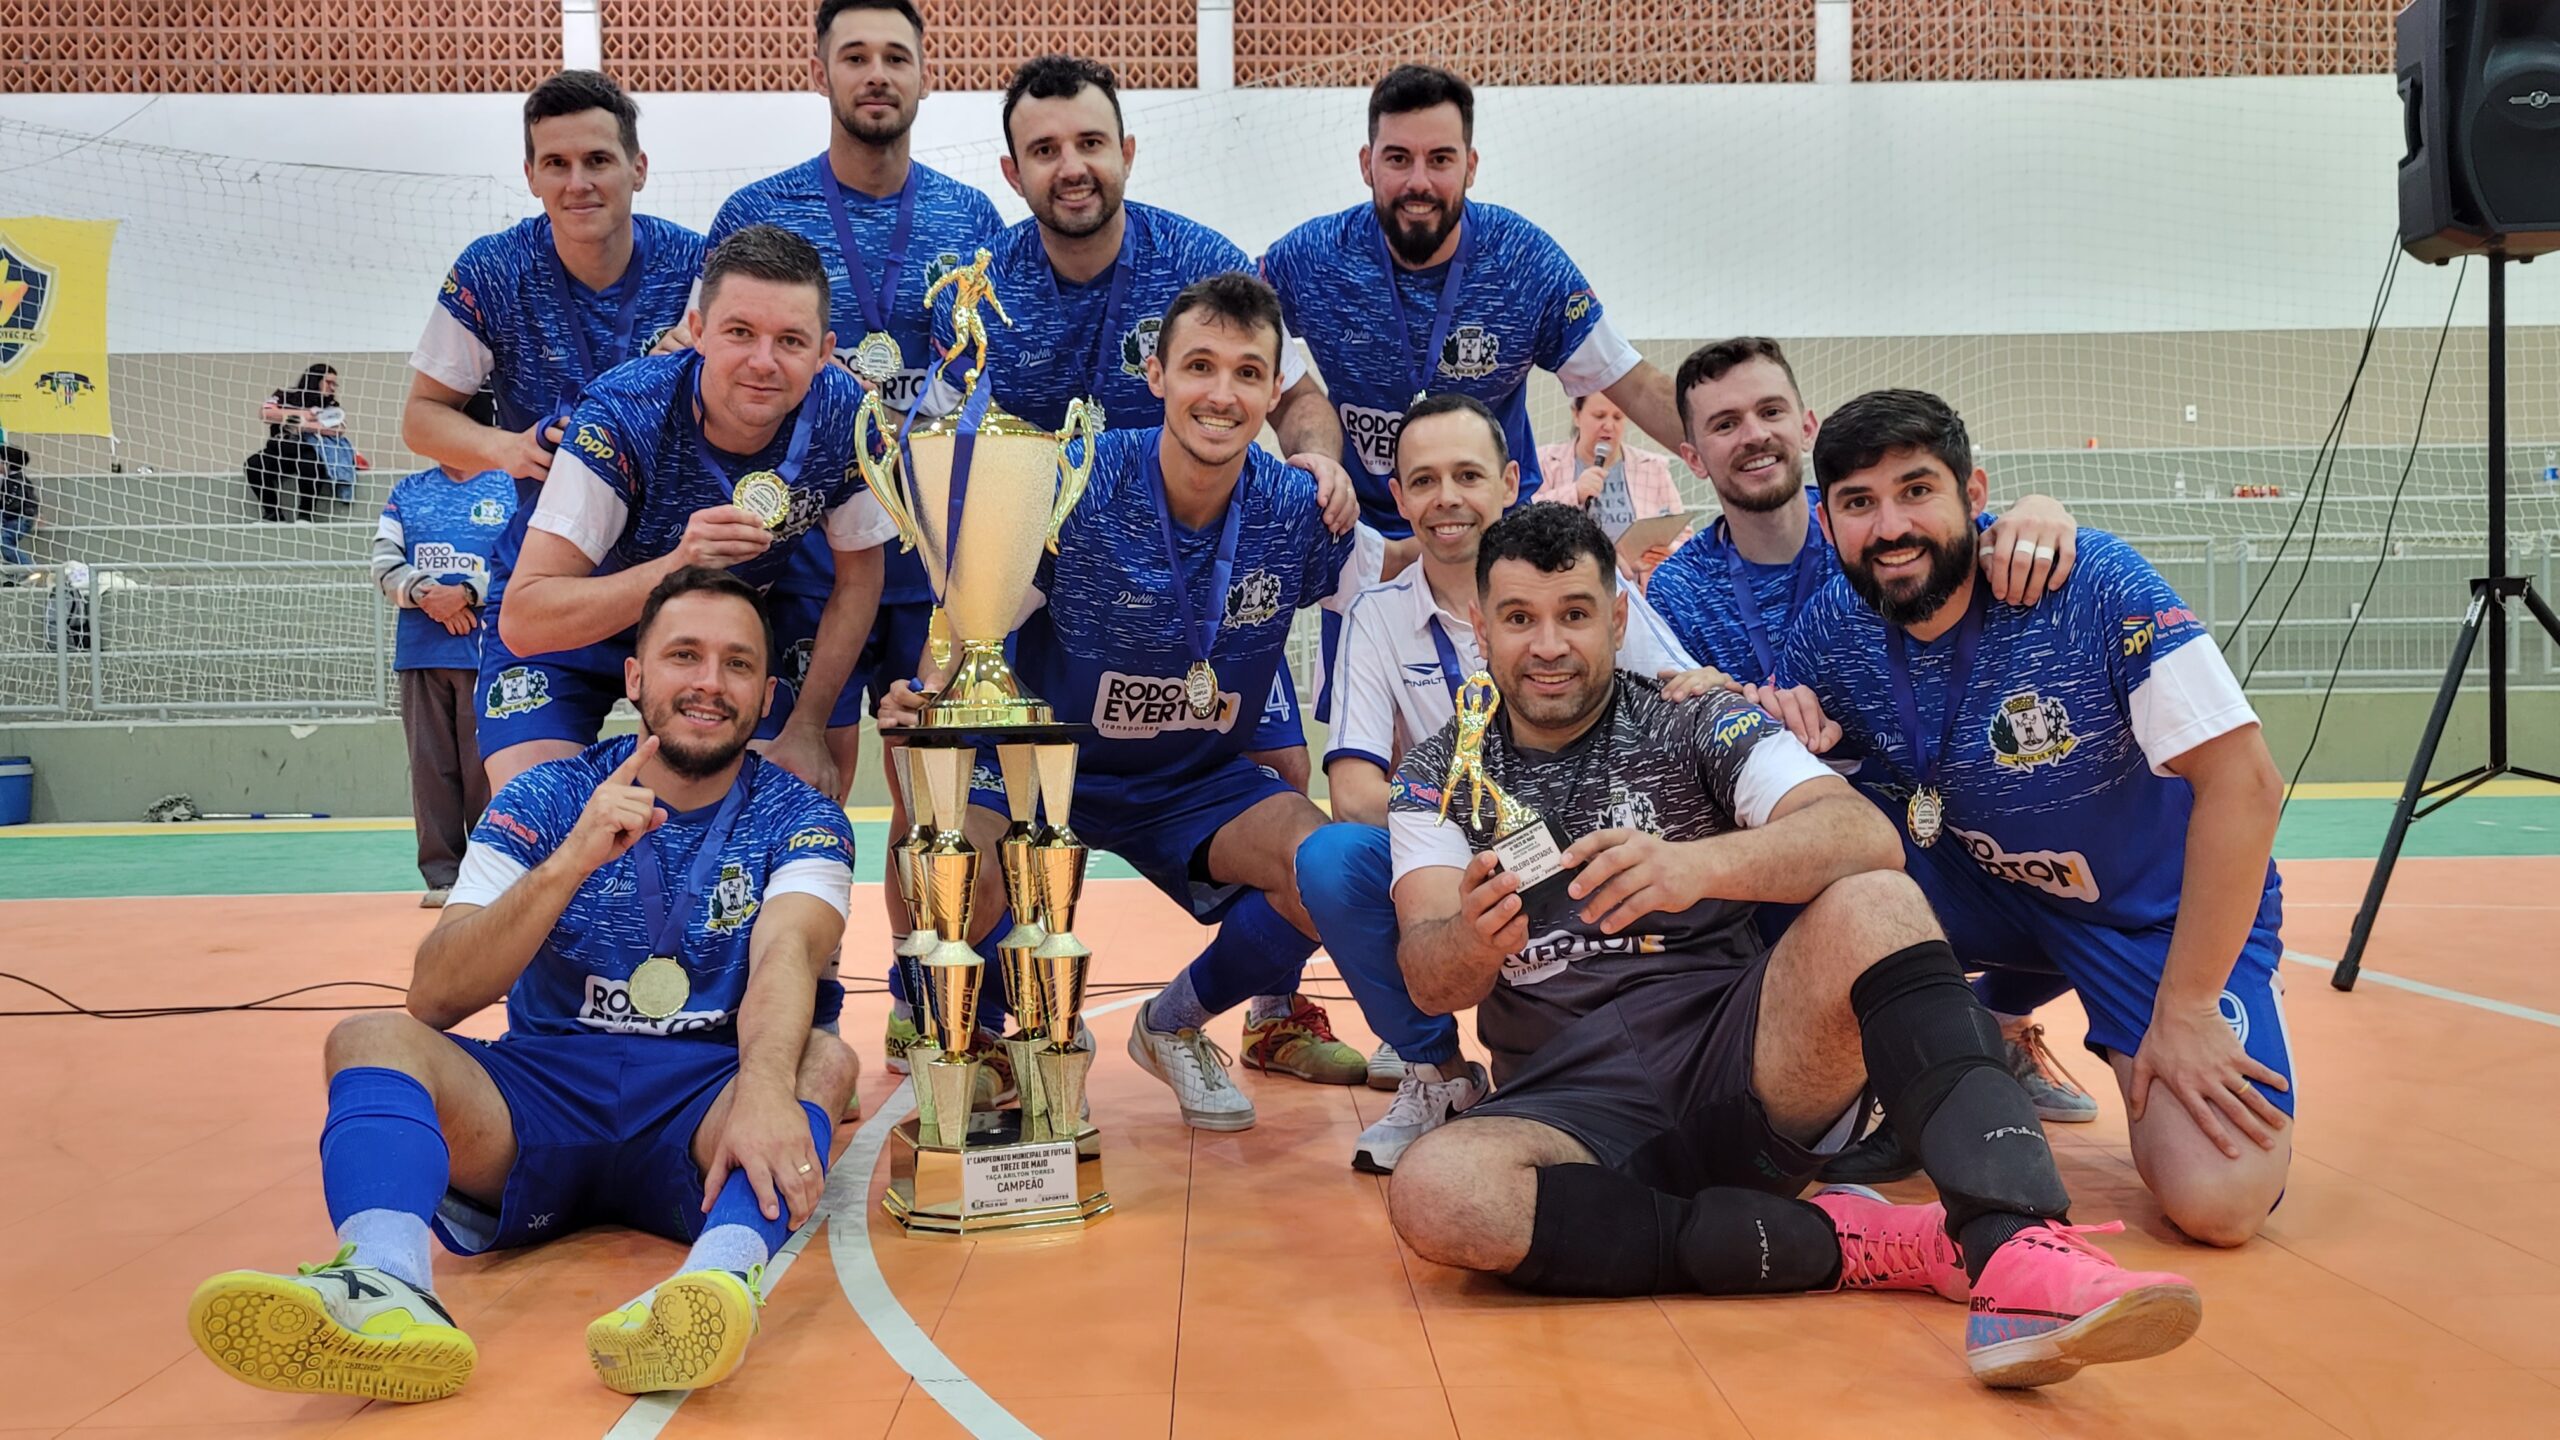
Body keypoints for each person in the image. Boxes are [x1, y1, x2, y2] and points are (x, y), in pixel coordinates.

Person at [1380, 504, 2201, 1389]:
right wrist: (1470, 939)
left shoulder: (1695, 719)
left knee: (1877, 901)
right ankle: (1853, 1241)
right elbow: (1429, 982)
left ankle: (2016, 1248)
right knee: (1437, 1194)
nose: (1548, 645)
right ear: (1479, 627)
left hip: (1743, 1070)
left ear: (1618, 619)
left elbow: (1862, 835)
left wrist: (1696, 866)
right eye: (1519, 618)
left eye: (1575, 614)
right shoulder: (1435, 776)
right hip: (1571, 1115)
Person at [185, 568, 862, 1402]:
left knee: (821, 1062)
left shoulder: (802, 816)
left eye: (737, 664)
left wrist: (761, 1088)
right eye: (684, 656)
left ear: (764, 695)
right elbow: (434, 996)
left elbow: (788, 953)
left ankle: (715, 1285)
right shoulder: (549, 795)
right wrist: (570, 860)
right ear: (636, 677)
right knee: (367, 1038)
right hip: (542, 1095)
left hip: (703, 1103)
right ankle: (384, 1285)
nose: (709, 684)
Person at [1763, 389, 2294, 1248]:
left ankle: (2089, 1015)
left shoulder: (2092, 585)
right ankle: (1952, 1044)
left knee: (2219, 1197)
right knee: (1783, 862)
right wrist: (1782, 728)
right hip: (1979, 888)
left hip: (2140, 915)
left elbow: (2248, 783)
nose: (1890, 524)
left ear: (1975, 497)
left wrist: (2188, 1010)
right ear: (1829, 527)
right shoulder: (1829, 629)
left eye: (1916, 490)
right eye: (1860, 503)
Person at [880, 273, 1381, 1128]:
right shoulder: (1073, 481)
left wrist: (1472, 541)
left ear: (1272, 390)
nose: (1221, 394)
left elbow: (1392, 593)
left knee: (1329, 870)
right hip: (1043, 760)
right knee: (952, 842)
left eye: (1248, 373)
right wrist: (928, 698)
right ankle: (970, 1028)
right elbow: (975, 607)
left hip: (1192, 781)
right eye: (1199, 366)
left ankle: (1175, 1025)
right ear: (1155, 375)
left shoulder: (1301, 508)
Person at [1641, 338, 2101, 1174]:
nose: (1754, 435)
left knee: (2062, 830)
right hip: (1814, 822)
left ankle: (1994, 1025)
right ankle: (1854, 1071)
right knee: (1788, 863)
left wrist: (2041, 510)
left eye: (1771, 412)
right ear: (1692, 455)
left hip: (1941, 802)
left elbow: (1979, 531)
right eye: (1725, 423)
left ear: (1805, 422)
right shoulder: (1677, 591)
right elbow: (1690, 735)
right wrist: (1730, 701)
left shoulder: (1877, 516)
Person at [702, 0, 1005, 1063]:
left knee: (936, 799)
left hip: (939, 556)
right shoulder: (761, 209)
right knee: (808, 778)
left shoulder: (973, 217)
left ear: (925, 76)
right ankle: (799, 1019)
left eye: (895, 58)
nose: (875, 75)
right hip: (802, 560)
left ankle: (938, 1012)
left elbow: (992, 388)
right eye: (855, 57)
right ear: (819, 71)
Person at [1298, 394, 1709, 1170]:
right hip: (1458, 869)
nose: (1445, 498)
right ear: (1399, 495)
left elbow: (1685, 698)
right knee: (1330, 858)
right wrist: (1464, 842)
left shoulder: (1580, 586)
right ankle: (1437, 1074)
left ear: (1511, 480)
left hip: (1594, 846)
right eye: (1422, 480)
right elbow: (1353, 791)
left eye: (1466, 475)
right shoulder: (1376, 618)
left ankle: (1684, 1037)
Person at [1260, 63, 1689, 720]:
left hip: (1496, 549)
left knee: (1524, 730)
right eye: (1398, 159)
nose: (1419, 182)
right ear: (1367, 164)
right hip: (1367, 553)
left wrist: (1722, 450)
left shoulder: (1523, 260)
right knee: (1373, 754)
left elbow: (1629, 380)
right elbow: (1229, 334)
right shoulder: (1311, 258)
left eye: (1441, 159)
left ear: (1472, 165)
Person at [496, 225, 893, 799]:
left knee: (797, 789)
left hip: (725, 624)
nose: (764, 362)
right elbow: (526, 619)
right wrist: (674, 566)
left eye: (791, 341)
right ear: (699, 331)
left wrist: (806, 726)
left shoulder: (847, 415)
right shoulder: (623, 414)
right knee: (538, 814)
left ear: (825, 352)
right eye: (740, 333)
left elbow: (860, 580)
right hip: (586, 610)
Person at [401, 69, 706, 793]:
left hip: (681, 579)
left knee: (701, 804)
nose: (579, 182)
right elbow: (421, 417)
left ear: (637, 168)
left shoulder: (703, 267)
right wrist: (508, 449)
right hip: (554, 581)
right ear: (532, 175)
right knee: (538, 808)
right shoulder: (492, 270)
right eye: (557, 163)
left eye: (598, 160)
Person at [373, 408, 519, 906]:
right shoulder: (406, 492)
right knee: (430, 767)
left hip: (489, 653)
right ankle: (442, 878)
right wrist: (428, 595)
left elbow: (518, 564)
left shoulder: (510, 488)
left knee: (485, 767)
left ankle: (487, 873)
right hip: (422, 651)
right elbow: (383, 564)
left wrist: (467, 594)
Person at [1532, 390, 1690, 586]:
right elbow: (1525, 518)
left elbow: (1684, 535)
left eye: (1618, 417)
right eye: (1599, 416)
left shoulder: (1652, 467)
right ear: (1576, 415)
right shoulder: (1545, 461)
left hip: (1638, 591)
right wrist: (1575, 492)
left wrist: (1664, 551)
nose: (1609, 425)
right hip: (1565, 584)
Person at [249, 363, 342, 523]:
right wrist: (308, 415)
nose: (333, 388)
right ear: (315, 380)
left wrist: (286, 417)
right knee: (253, 464)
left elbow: (336, 428)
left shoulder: (331, 404)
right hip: (279, 450)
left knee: (311, 466)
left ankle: (305, 516)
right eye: (329, 383)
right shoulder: (285, 395)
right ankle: (272, 514)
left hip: (307, 451)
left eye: (335, 384)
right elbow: (265, 413)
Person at [0, 442, 35, 573]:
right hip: (12, 519)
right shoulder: (8, 479)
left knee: (4, 542)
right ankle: (13, 575)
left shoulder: (17, 482)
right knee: (7, 544)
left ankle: (28, 570)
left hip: (19, 520)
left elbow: (14, 503)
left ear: (7, 463)